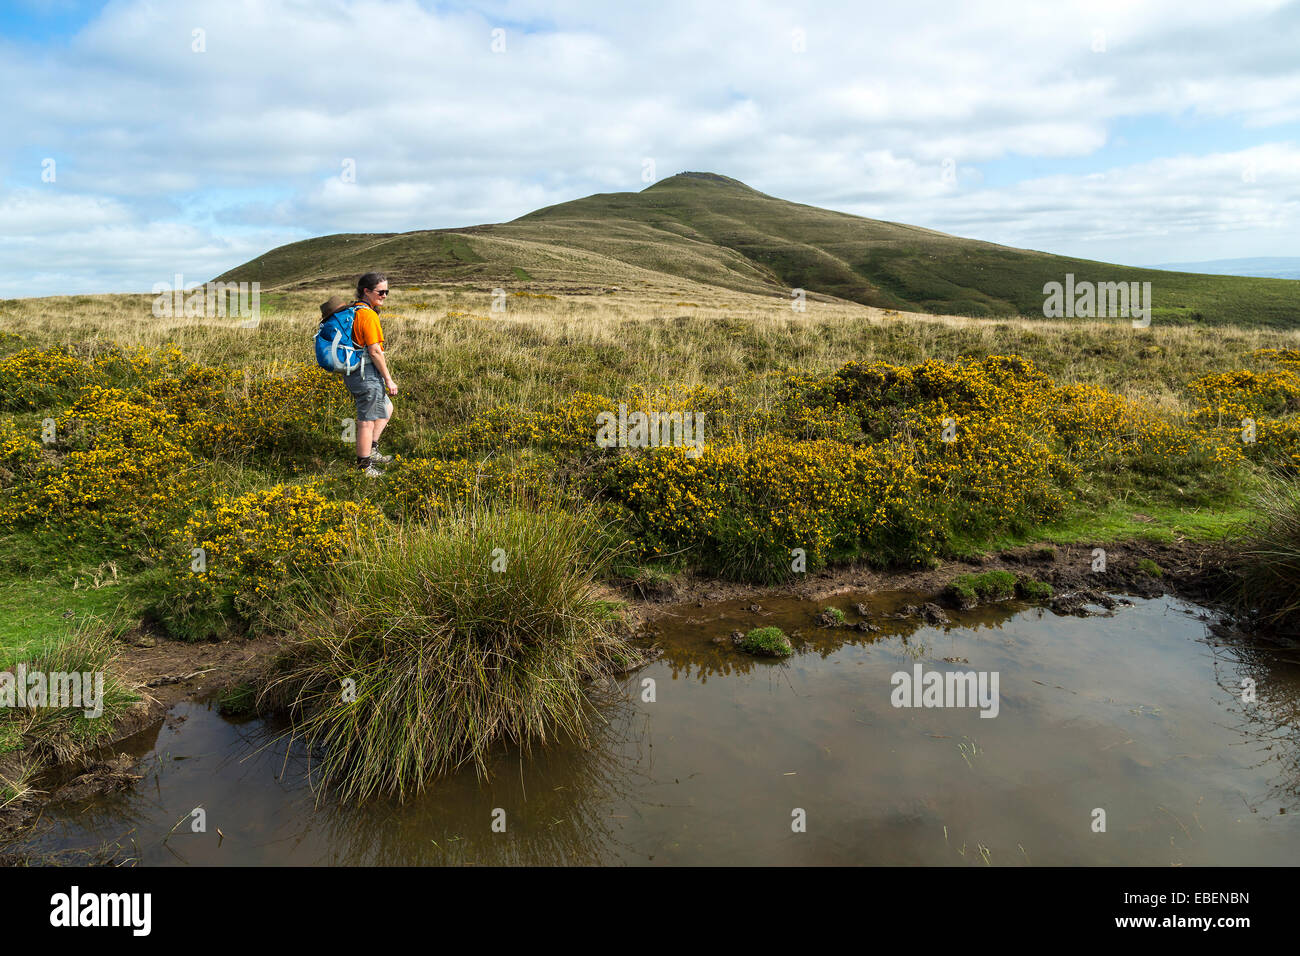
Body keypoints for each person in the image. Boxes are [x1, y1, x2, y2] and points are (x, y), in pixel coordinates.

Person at [339, 272, 398, 476]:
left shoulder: (354, 310)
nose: (384, 295)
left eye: (387, 292)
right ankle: (364, 467)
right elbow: (374, 351)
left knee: (386, 407)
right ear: (367, 291)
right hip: (365, 373)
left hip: (355, 371)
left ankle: (371, 450)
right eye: (381, 292)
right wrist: (388, 379)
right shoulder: (367, 315)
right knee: (366, 420)